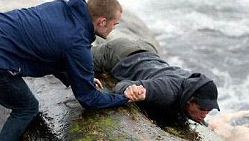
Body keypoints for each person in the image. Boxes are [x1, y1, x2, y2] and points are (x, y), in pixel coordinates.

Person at [0, 0, 146, 141]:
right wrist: (123, 97)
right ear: (102, 21)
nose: (114, 29)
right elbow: (88, 99)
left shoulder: (62, 7)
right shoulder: (77, 42)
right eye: (114, 24)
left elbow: (50, 49)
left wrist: (76, 76)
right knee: (26, 107)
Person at [92, 37, 220, 126]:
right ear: (189, 100)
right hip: (120, 54)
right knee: (76, 59)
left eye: (209, 109)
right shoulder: (165, 91)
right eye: (202, 108)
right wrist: (133, 91)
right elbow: (122, 86)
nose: (205, 113)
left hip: (148, 51)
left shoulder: (191, 84)